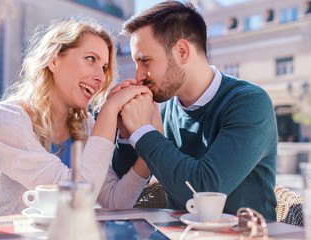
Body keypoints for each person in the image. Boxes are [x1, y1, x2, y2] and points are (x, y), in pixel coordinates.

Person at [111, 1, 278, 220]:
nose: (139, 75)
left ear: (182, 51)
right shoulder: (164, 108)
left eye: (145, 61)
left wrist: (143, 130)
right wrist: (126, 134)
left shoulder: (249, 103)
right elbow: (125, 184)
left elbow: (204, 190)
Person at [0, 18, 152, 216]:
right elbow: (76, 198)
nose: (101, 78)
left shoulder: (84, 126)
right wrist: (109, 111)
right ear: (53, 60)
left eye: (103, 68)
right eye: (91, 59)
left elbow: (115, 201)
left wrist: (148, 157)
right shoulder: (0, 120)